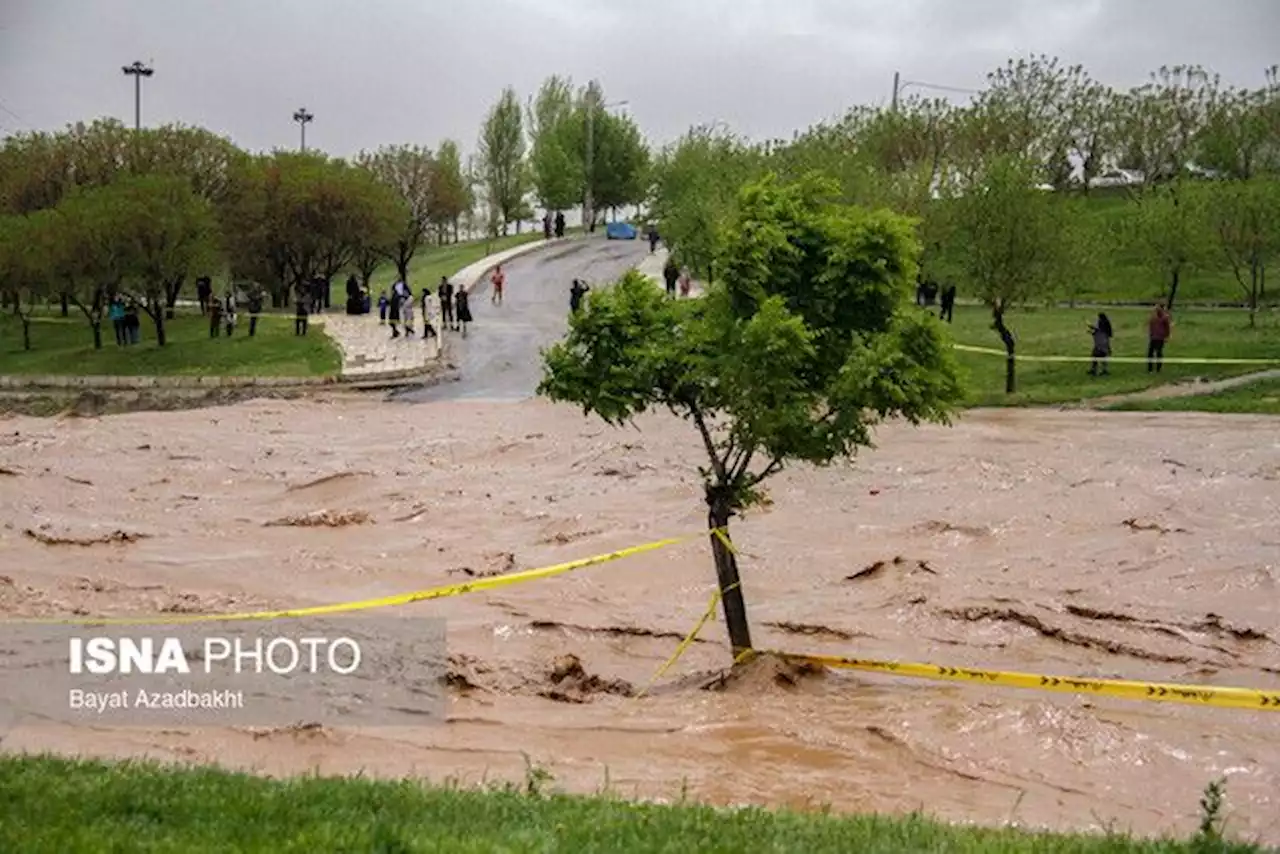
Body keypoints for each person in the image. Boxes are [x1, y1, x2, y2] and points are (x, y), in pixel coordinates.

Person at [1147, 302, 1172, 373]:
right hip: (1153, 337)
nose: (1156, 309)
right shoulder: (1153, 317)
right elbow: (1150, 326)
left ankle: (1158, 368)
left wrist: (1167, 336)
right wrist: (1150, 334)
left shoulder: (1165, 318)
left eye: (1158, 307)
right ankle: (1150, 368)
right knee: (1150, 353)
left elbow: (1167, 328)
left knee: (1158, 353)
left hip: (1160, 338)